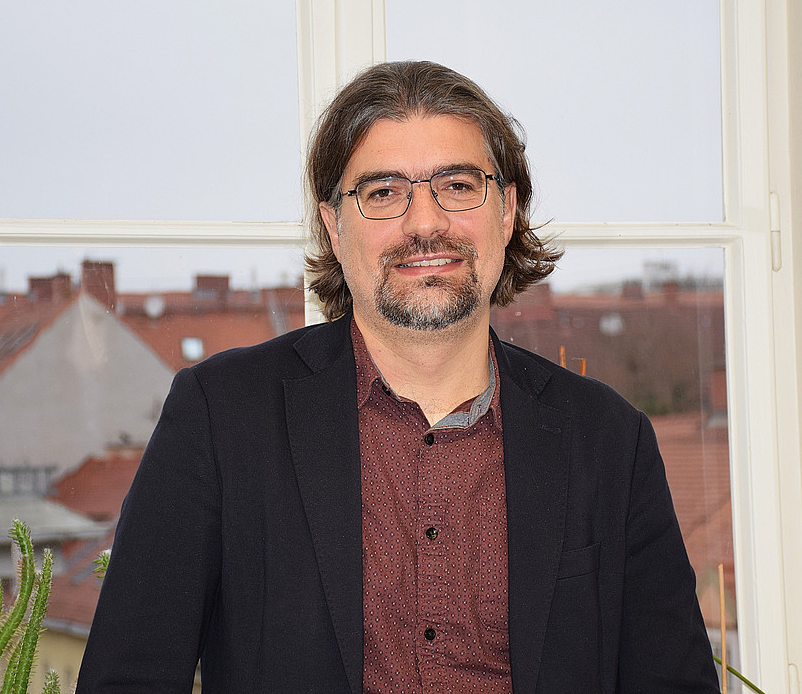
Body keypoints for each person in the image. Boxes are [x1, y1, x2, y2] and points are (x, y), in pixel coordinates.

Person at [76, 61, 719, 693]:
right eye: (383, 193)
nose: (425, 222)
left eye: (459, 186)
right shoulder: (221, 415)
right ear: (333, 224)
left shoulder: (608, 438)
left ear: (506, 212)